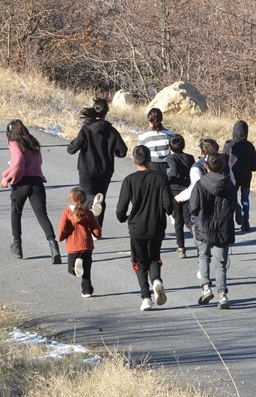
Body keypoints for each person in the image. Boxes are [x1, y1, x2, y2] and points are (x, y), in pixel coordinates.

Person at [115, 145, 174, 311]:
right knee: (154, 257)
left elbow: (121, 208)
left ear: (134, 161)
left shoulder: (129, 180)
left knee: (139, 261)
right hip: (156, 225)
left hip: (136, 226)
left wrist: (122, 218)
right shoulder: (161, 177)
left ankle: (146, 297)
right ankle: (156, 280)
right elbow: (168, 204)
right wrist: (168, 211)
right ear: (150, 160)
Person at [0, 119, 60, 263]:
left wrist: (7, 177)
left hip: (22, 183)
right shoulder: (33, 143)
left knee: (16, 212)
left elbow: (18, 162)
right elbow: (39, 162)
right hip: (37, 182)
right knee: (41, 214)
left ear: (10, 132)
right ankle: (53, 245)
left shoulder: (14, 143)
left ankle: (17, 245)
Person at [67, 98, 128, 228]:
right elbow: (122, 151)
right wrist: (113, 151)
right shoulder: (111, 131)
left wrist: (73, 143)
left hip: (87, 169)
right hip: (105, 171)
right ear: (106, 112)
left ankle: (87, 226)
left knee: (87, 198)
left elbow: (72, 149)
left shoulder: (86, 129)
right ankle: (97, 229)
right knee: (100, 199)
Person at [189, 152, 237, 309]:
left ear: (206, 166)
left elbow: (194, 207)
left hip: (204, 227)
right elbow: (234, 205)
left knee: (203, 257)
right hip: (224, 227)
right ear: (222, 166)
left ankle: (205, 287)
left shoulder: (201, 184)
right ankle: (222, 295)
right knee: (221, 263)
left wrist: (192, 220)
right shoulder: (229, 184)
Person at [58, 187, 102, 298]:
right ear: (85, 199)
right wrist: (97, 235)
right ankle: (87, 291)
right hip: (86, 245)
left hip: (73, 246)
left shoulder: (67, 212)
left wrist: (61, 237)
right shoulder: (88, 212)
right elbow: (96, 227)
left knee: (72, 269)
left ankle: (75, 267)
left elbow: (62, 227)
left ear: (70, 199)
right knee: (86, 270)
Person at [223, 120, 256, 232]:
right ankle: (245, 221)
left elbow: (223, 160)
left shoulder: (229, 144)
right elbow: (254, 165)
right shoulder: (249, 146)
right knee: (245, 199)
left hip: (232, 176)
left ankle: (229, 222)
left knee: (230, 198)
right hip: (246, 176)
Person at [166, 133, 196, 258]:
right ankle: (197, 235)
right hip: (188, 190)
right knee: (188, 219)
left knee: (178, 221)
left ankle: (181, 248)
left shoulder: (171, 158)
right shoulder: (190, 157)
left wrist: (166, 177)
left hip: (175, 191)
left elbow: (173, 172)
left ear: (170, 147)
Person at [138, 107, 174, 175]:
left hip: (150, 165)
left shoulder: (144, 135)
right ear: (161, 119)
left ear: (149, 119)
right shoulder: (169, 134)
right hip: (166, 166)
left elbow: (141, 153)